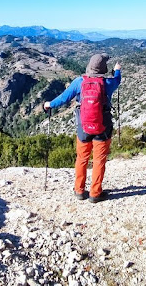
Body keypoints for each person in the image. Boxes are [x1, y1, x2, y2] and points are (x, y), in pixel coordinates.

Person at [44, 53, 121, 203]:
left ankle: (79, 190)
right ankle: (95, 193)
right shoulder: (108, 84)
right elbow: (118, 80)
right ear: (103, 69)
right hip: (103, 127)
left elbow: (64, 98)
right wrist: (117, 70)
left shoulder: (79, 82)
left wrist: (49, 104)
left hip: (83, 127)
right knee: (99, 160)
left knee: (82, 158)